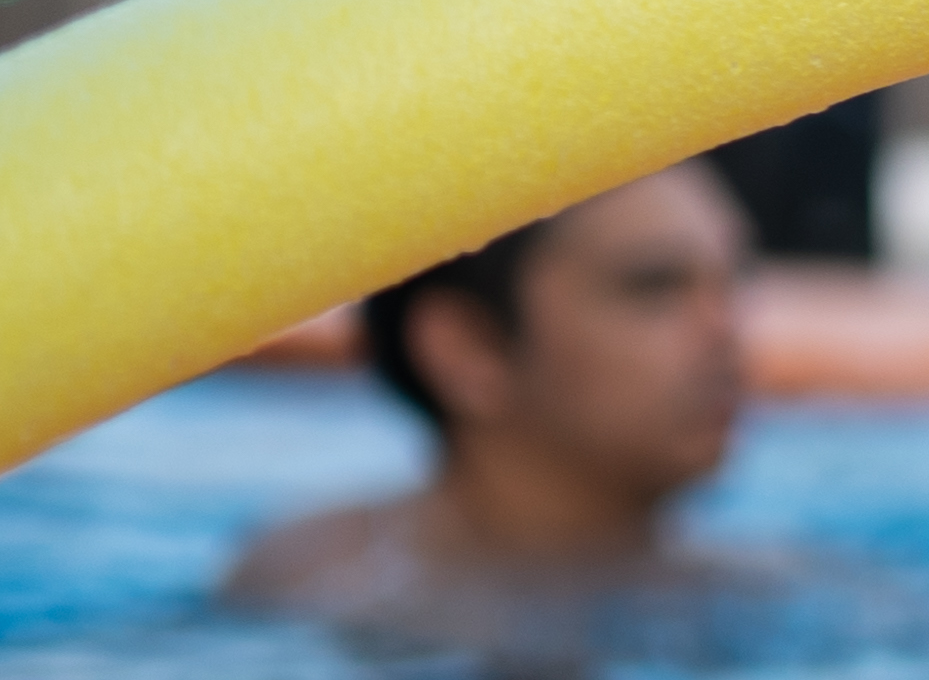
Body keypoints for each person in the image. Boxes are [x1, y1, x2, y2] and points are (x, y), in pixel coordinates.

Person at [225, 162, 759, 628]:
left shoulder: (772, 593)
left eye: (733, 280)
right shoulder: (324, 590)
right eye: (653, 286)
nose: (726, 332)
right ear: (466, 348)